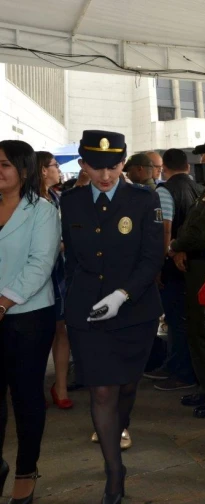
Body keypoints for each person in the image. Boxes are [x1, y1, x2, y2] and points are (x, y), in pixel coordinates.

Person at [61, 130, 164, 503]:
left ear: (123, 163)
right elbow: (71, 259)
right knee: (102, 389)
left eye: (114, 166)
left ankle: (123, 427)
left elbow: (153, 256)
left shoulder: (143, 198)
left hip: (135, 310)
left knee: (126, 387)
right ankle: (114, 472)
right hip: (88, 312)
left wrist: (123, 294)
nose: (106, 175)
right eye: (97, 166)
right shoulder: (70, 202)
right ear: (82, 163)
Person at [0, 140, 60, 504]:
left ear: (23, 170)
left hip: (28, 317)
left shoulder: (42, 211)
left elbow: (40, 264)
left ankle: (26, 468)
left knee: (25, 396)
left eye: (4, 164)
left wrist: (3, 302)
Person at [170, 136, 205, 419]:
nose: (203, 161)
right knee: (195, 331)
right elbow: (192, 225)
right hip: (193, 266)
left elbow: (204, 232)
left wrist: (176, 246)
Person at [148, 149, 202, 391]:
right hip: (196, 264)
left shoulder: (165, 191)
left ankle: (180, 371)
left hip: (173, 263)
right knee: (187, 318)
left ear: (165, 169)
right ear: (188, 167)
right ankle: (179, 366)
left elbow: (165, 230)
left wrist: (159, 264)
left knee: (175, 319)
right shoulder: (200, 189)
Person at [36, 151, 73, 411]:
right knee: (37, 331)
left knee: (61, 327)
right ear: (41, 170)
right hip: (37, 272)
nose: (58, 169)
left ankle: (60, 386)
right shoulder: (24, 202)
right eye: (53, 165)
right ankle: (33, 387)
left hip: (59, 270)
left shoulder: (57, 197)